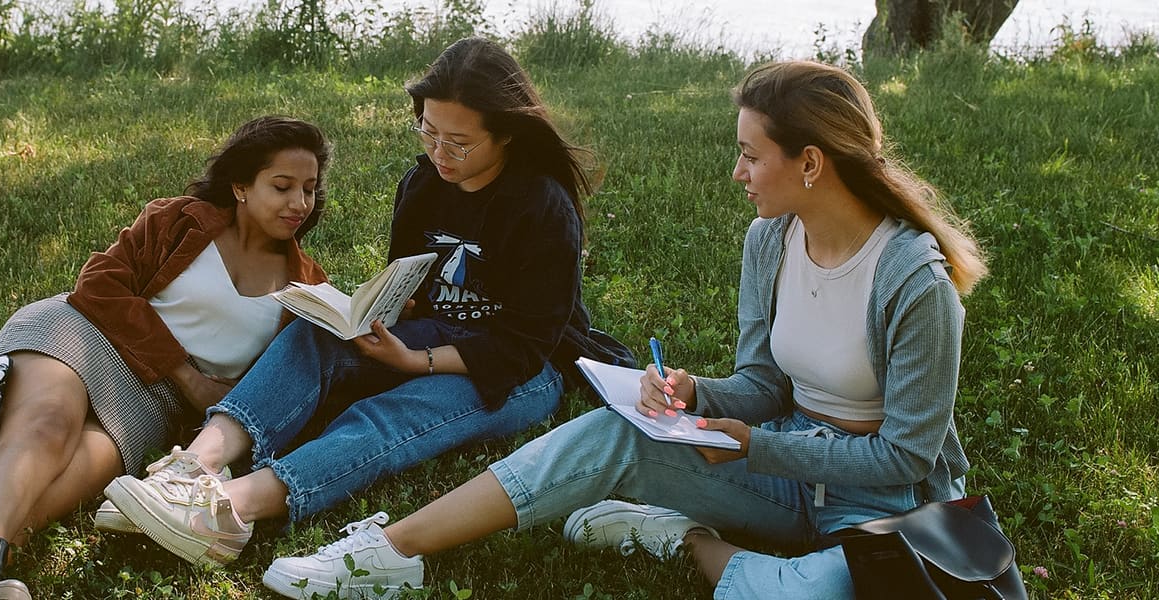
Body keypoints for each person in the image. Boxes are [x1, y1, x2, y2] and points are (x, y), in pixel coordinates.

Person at [259, 59, 991, 600]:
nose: (737, 173)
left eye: (749, 154)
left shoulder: (912, 280)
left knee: (790, 596)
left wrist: (755, 445)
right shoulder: (770, 242)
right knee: (611, 432)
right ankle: (388, 551)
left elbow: (905, 455)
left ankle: (685, 538)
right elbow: (766, 383)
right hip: (783, 473)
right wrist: (693, 391)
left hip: (879, 506)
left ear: (809, 163)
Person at [101, 37, 634, 570]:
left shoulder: (543, 206)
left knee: (392, 413)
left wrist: (414, 362)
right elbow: (408, 286)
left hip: (525, 367)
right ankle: (191, 469)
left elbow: (523, 346)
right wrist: (366, 322)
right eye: (428, 130)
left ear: (506, 134)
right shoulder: (424, 184)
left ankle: (232, 512)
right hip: (431, 333)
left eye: (459, 142)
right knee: (312, 335)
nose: (439, 153)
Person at [0, 116, 332, 600]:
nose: (299, 203)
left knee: (76, 476)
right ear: (241, 185)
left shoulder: (307, 285)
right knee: (47, 426)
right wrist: (187, 376)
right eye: (282, 187)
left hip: (150, 404)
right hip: (84, 333)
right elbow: (98, 284)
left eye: (308, 189)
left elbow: (300, 375)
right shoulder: (179, 221)